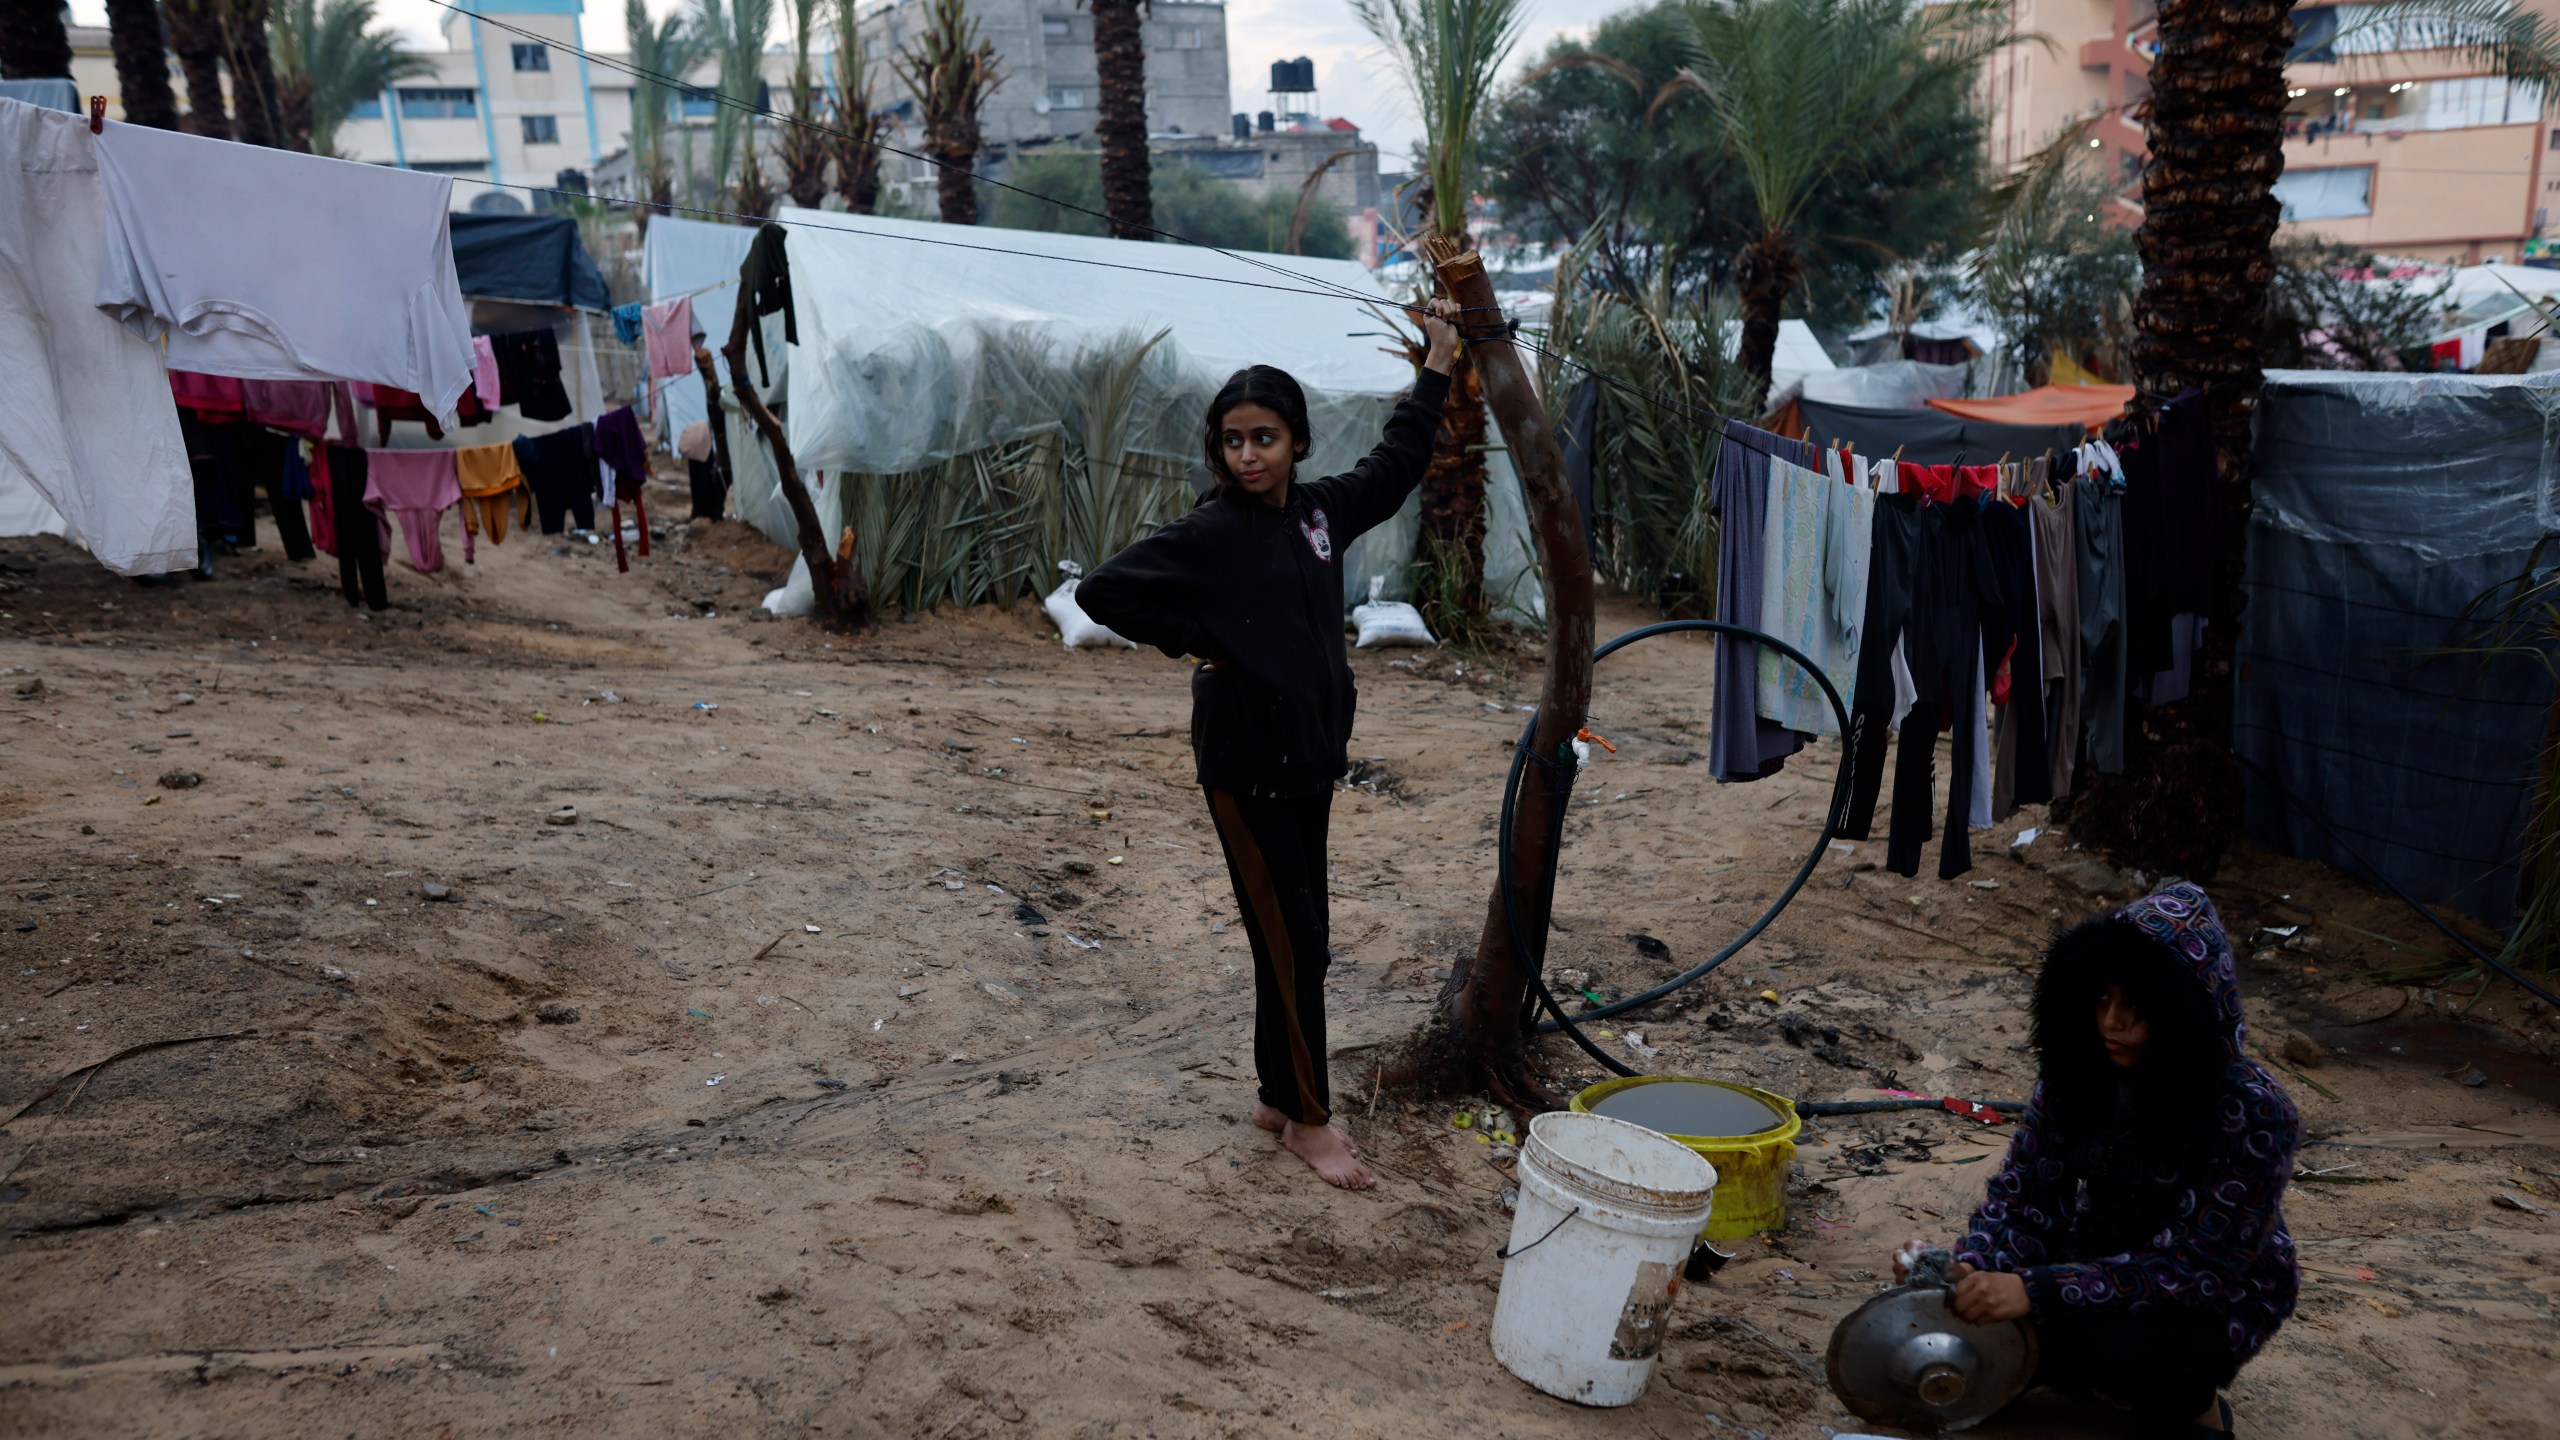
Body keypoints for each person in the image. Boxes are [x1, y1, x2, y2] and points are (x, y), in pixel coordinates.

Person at [1076, 299, 1462, 1190]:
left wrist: (1440, 353)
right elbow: (1103, 592)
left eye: (1265, 438)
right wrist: (1204, 639)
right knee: (1294, 942)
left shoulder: (1322, 515)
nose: (1248, 455)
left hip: (1311, 759)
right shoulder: (1211, 533)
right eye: (1233, 440)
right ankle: (1309, 1123)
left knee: (1293, 938)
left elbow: (1401, 459)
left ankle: (1275, 1095)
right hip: (1246, 768)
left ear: (1297, 442)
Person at [1893, 881, 2299, 1435]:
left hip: (2211, 1296)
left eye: (2137, 1005)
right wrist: (1971, 1271)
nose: (2112, 1022)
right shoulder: (2078, 1074)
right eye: (2103, 997)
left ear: (2187, 1013)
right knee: (1977, 1321)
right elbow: (2024, 1197)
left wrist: (2034, 1291)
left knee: (2150, 1350)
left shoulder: (2254, 1112)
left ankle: (2197, 1411)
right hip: (2095, 1256)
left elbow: (2197, 1268)